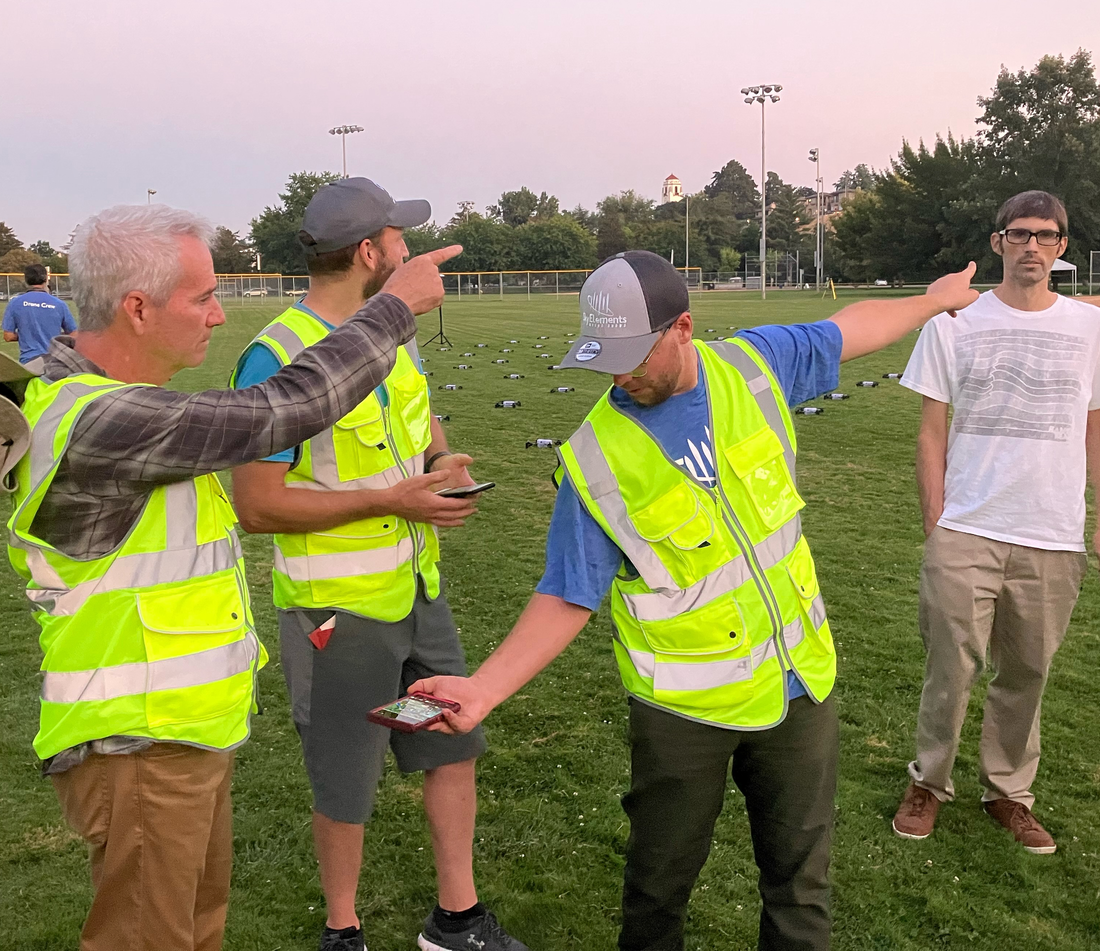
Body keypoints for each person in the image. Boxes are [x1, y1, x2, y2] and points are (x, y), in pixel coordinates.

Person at [412, 250, 979, 951]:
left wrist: (934, 299)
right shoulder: (594, 457)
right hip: (682, 712)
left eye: (633, 354)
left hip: (800, 683)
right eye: (605, 357)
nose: (619, 374)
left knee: (801, 887)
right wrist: (485, 689)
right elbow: (567, 592)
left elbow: (850, 326)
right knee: (658, 888)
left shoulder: (754, 366)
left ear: (683, 328)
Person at [7, 202, 459, 951]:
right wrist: (391, 310)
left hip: (178, 737)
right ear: (139, 308)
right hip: (135, 746)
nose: (220, 317)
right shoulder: (97, 422)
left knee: (193, 934)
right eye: (204, 296)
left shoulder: (111, 407)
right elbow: (286, 408)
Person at [230, 177, 524, 951]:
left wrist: (441, 461)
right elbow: (256, 506)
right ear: (370, 253)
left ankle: (455, 921)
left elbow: (419, 419)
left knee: (448, 742)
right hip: (338, 619)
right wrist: (395, 501)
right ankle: (343, 930)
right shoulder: (277, 355)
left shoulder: (393, 335)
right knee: (347, 778)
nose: (408, 251)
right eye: (398, 239)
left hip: (419, 598)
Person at [891, 190, 1100, 854]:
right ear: (998, 242)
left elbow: (1095, 428)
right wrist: (935, 517)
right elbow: (931, 430)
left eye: (1046, 235)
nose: (1032, 246)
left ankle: (1009, 794)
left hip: (1052, 532)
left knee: (1028, 672)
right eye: (1020, 234)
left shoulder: (1089, 329)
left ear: (1062, 246)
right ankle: (929, 782)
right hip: (967, 527)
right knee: (949, 667)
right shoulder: (954, 323)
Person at [3, 262, 77, 363]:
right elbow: (74, 334)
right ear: (46, 279)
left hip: (29, 362)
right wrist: (55, 335)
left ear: (26, 280)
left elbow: (8, 336)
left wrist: (27, 335)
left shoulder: (15, 303)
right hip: (55, 362)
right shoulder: (59, 304)